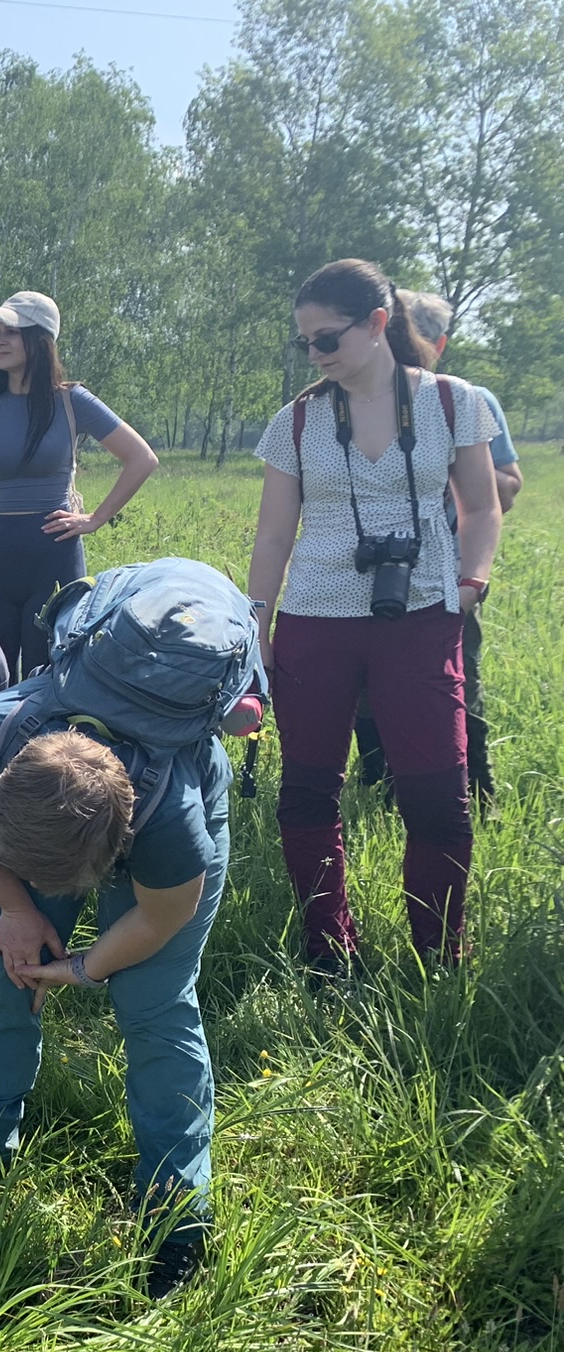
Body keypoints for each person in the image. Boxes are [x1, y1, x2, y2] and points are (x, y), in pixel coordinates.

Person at [0, 673, 230, 1300]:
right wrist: (15, 907)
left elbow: (158, 917)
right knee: (3, 971)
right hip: (39, 818)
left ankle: (177, 1214)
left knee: (154, 1006)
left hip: (159, 822)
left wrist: (84, 968)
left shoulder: (171, 822)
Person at [249, 259, 501, 975]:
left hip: (421, 616)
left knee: (437, 796)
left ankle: (437, 956)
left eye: (327, 338)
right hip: (315, 619)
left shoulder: (455, 404)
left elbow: (482, 508)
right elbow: (274, 535)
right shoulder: (294, 421)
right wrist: (257, 624)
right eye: (307, 345)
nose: (317, 355)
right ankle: (330, 953)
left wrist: (470, 582)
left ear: (379, 324)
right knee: (307, 791)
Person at [0, 291, 159, 678]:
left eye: (12, 332)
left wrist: (94, 518)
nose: (0, 341)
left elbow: (141, 458)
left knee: (49, 676)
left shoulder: (72, 401)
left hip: (53, 554)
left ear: (40, 340)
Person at [354, 289, 522, 810]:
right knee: (365, 686)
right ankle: (379, 787)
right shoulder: (349, 397)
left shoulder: (466, 399)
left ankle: (472, 793)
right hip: (361, 573)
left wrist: (443, 463)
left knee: (451, 682)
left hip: (447, 574)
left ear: (440, 344)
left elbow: (509, 488)